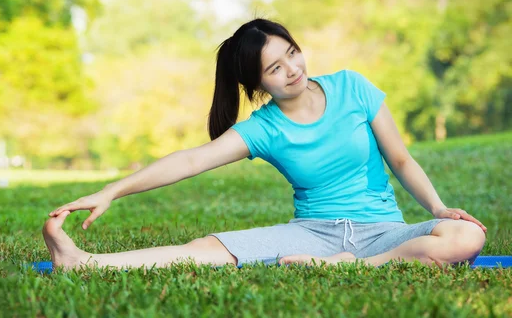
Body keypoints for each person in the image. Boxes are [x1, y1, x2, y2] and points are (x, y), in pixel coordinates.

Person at [43, 18, 487, 271]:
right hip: (311, 235)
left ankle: (352, 267)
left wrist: (437, 209)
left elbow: (402, 159)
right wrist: (110, 191)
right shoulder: (265, 128)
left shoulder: (353, 88)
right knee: (205, 252)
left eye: (291, 52)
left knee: (466, 236)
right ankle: (84, 262)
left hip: (385, 231)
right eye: (275, 68)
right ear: (258, 84)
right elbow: (192, 160)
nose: (292, 68)